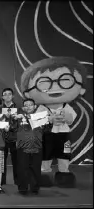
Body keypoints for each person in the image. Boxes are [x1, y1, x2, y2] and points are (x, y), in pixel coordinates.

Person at [20, 57, 87, 187]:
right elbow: (36, 121)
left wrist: (65, 118)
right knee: (46, 155)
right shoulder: (41, 108)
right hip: (47, 135)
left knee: (64, 154)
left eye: (65, 80)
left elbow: (71, 119)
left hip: (64, 134)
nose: (54, 87)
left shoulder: (67, 107)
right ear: (28, 93)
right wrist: (50, 119)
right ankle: (44, 174)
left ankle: (64, 173)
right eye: (44, 82)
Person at [12, 98, 47, 195]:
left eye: (30, 105)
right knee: (22, 169)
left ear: (35, 106)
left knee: (36, 168)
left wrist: (26, 116)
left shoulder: (41, 117)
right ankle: (22, 188)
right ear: (23, 107)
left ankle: (35, 187)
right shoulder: (18, 117)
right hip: (22, 147)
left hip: (37, 146)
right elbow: (12, 128)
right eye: (26, 105)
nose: (28, 107)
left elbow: (47, 128)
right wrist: (13, 119)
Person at [1, 88, 19, 185]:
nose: (7, 96)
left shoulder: (18, 108)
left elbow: (19, 124)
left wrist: (11, 126)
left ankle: (17, 180)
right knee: (2, 161)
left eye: (9, 94)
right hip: (2, 138)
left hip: (14, 138)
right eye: (5, 94)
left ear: (13, 96)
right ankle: (2, 181)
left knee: (16, 161)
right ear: (2, 97)